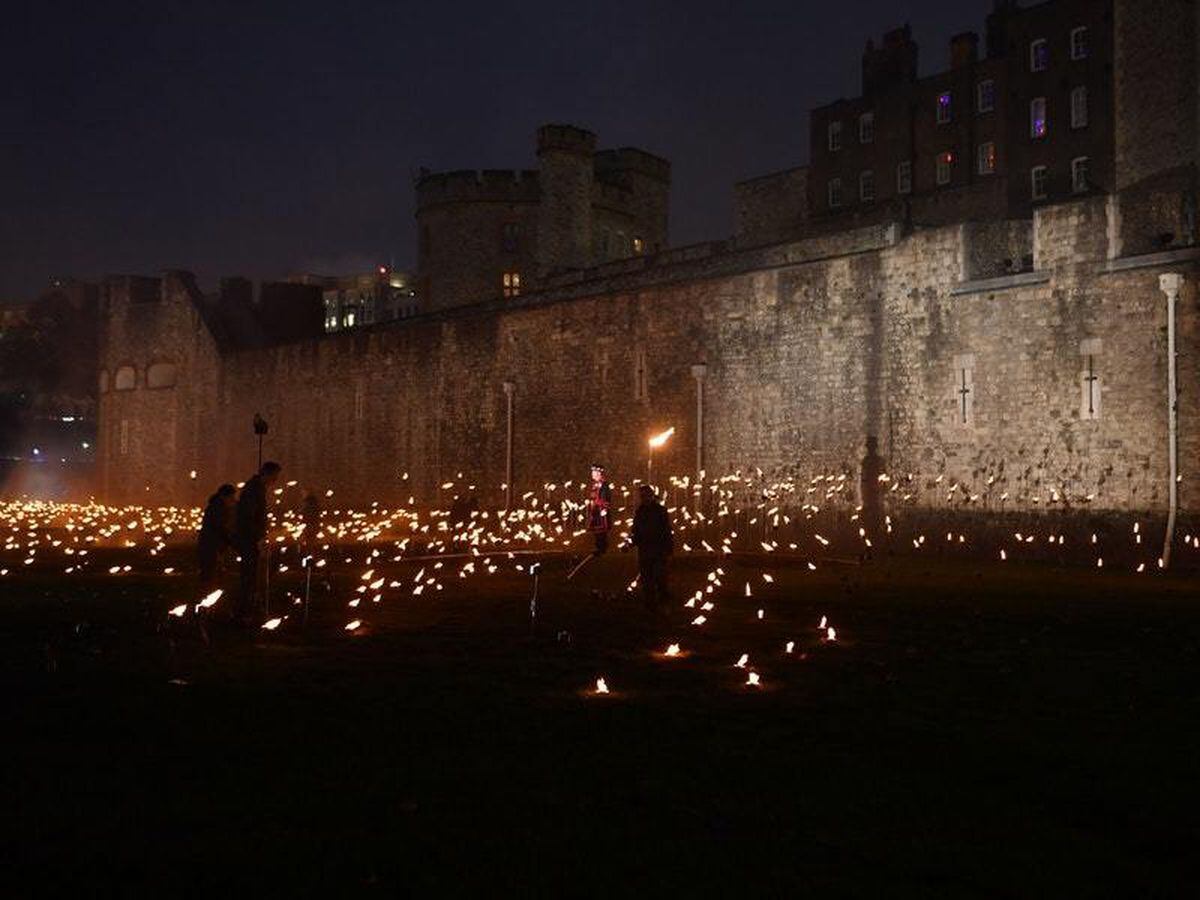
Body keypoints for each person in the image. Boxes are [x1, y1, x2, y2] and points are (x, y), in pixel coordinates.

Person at [234, 460, 281, 624]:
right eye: (274, 476)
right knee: (249, 576)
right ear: (267, 474)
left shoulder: (256, 488)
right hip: (249, 540)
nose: (275, 481)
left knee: (252, 576)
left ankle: (248, 609)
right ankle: (245, 612)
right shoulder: (253, 490)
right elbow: (249, 518)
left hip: (251, 538)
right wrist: (258, 538)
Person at [631, 484, 673, 611]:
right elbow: (636, 529)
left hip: (658, 548)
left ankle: (662, 595)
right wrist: (632, 542)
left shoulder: (660, 510)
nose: (644, 499)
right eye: (642, 496)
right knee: (646, 576)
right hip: (645, 548)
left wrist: (668, 546)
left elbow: (666, 529)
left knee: (659, 574)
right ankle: (650, 601)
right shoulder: (640, 511)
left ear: (651, 496)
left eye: (645, 496)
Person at [197, 483, 236, 593]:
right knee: (210, 572)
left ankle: (209, 592)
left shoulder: (216, 507)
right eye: (231, 497)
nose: (233, 499)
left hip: (211, 544)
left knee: (211, 571)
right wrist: (231, 540)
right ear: (224, 496)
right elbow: (219, 528)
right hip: (211, 545)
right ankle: (207, 594)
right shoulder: (218, 509)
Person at [586, 463, 613, 554]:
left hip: (600, 509)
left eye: (594, 472)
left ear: (599, 474)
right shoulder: (595, 484)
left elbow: (607, 497)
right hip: (595, 509)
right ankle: (599, 547)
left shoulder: (604, 484)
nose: (592, 474)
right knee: (597, 531)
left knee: (601, 530)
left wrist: (605, 508)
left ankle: (602, 547)